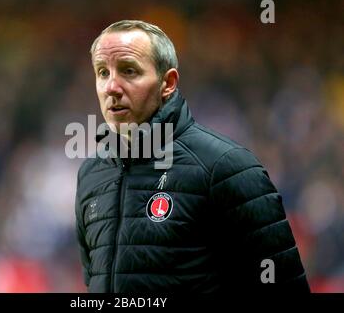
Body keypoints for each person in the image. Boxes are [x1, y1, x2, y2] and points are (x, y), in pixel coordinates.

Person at [74, 20, 310, 292]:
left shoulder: (226, 168)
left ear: (168, 83)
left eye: (129, 71)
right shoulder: (91, 174)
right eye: (102, 72)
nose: (111, 87)